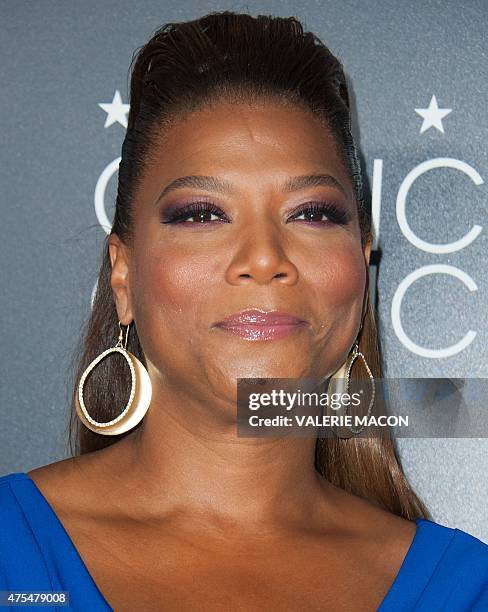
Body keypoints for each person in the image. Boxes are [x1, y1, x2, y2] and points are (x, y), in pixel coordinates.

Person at [1, 10, 487, 612]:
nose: (263, 258)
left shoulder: (468, 589)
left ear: (362, 268)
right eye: (202, 214)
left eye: (312, 213)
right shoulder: (11, 552)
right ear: (122, 275)